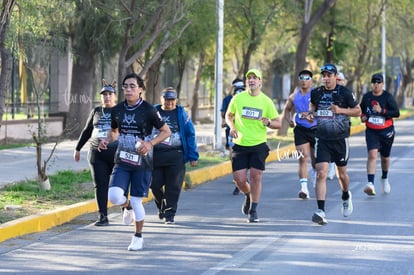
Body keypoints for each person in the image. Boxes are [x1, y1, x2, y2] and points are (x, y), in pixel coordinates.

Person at [98, 73, 171, 251]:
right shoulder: (117, 110)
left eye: (132, 86)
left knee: (138, 201)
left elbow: (166, 131)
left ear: (140, 89)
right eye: (126, 86)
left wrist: (150, 143)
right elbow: (115, 131)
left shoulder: (149, 110)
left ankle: (138, 236)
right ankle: (126, 205)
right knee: (114, 196)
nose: (128, 89)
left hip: (142, 163)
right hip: (122, 160)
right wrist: (107, 140)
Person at [225, 68, 281, 223]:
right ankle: (248, 194)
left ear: (260, 82)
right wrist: (232, 127)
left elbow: (278, 122)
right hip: (240, 144)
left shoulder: (266, 101)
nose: (251, 80)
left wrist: (269, 122)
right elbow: (229, 115)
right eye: (249, 78)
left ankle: (254, 209)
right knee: (239, 179)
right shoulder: (238, 98)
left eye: (254, 78)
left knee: (256, 176)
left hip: (258, 144)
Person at [308, 63, 361, 225]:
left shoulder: (344, 92)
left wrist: (340, 111)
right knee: (321, 173)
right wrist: (311, 114)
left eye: (329, 75)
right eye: (323, 75)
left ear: (335, 76)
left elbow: (358, 111)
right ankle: (321, 210)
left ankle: (345, 195)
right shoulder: (316, 92)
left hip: (340, 140)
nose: (325, 78)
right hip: (322, 139)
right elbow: (312, 106)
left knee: (342, 174)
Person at [150, 87, 199, 224]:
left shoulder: (181, 114)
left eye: (172, 100)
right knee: (154, 184)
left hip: (176, 155)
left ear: (176, 100)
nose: (169, 103)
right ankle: (161, 206)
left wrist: (193, 156)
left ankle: (169, 214)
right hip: (156, 155)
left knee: (173, 186)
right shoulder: (153, 111)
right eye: (166, 99)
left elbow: (190, 134)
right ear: (161, 99)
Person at [73, 80, 117, 226]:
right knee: (100, 185)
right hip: (96, 153)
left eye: (110, 94)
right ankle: (102, 216)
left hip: (115, 153)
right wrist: (78, 148)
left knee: (118, 185)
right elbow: (87, 131)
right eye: (104, 94)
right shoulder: (96, 111)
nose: (107, 97)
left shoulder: (120, 111)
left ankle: (125, 204)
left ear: (115, 96)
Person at [360, 73, 400, 196]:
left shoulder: (388, 97)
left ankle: (384, 177)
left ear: (382, 84)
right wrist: (363, 117)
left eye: (378, 82)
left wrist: (382, 111)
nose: (376, 85)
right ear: (372, 84)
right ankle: (370, 183)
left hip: (386, 131)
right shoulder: (367, 97)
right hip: (372, 131)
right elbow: (361, 110)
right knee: (372, 155)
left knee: (385, 158)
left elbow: (396, 113)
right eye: (374, 82)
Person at [282, 69, 317, 199]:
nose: (304, 81)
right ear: (298, 80)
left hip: (315, 129)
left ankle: (314, 172)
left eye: (307, 78)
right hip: (301, 129)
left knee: (315, 160)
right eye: (301, 78)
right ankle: (304, 188)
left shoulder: (316, 94)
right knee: (303, 158)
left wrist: (312, 115)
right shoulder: (294, 96)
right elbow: (287, 110)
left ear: (311, 80)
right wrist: (289, 120)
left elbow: (324, 109)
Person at [220, 78, 246, 195]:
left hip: (246, 134)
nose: (239, 91)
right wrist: (228, 121)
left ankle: (243, 177)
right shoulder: (227, 100)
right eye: (237, 89)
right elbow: (224, 114)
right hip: (232, 132)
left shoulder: (249, 100)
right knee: (233, 155)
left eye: (242, 89)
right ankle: (238, 180)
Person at [327, 72, 347, 180]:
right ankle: (330, 167)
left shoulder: (347, 94)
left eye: (340, 80)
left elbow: (355, 110)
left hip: (342, 128)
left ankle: (338, 169)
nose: (338, 82)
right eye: (337, 80)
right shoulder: (328, 93)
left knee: (339, 153)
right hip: (328, 126)